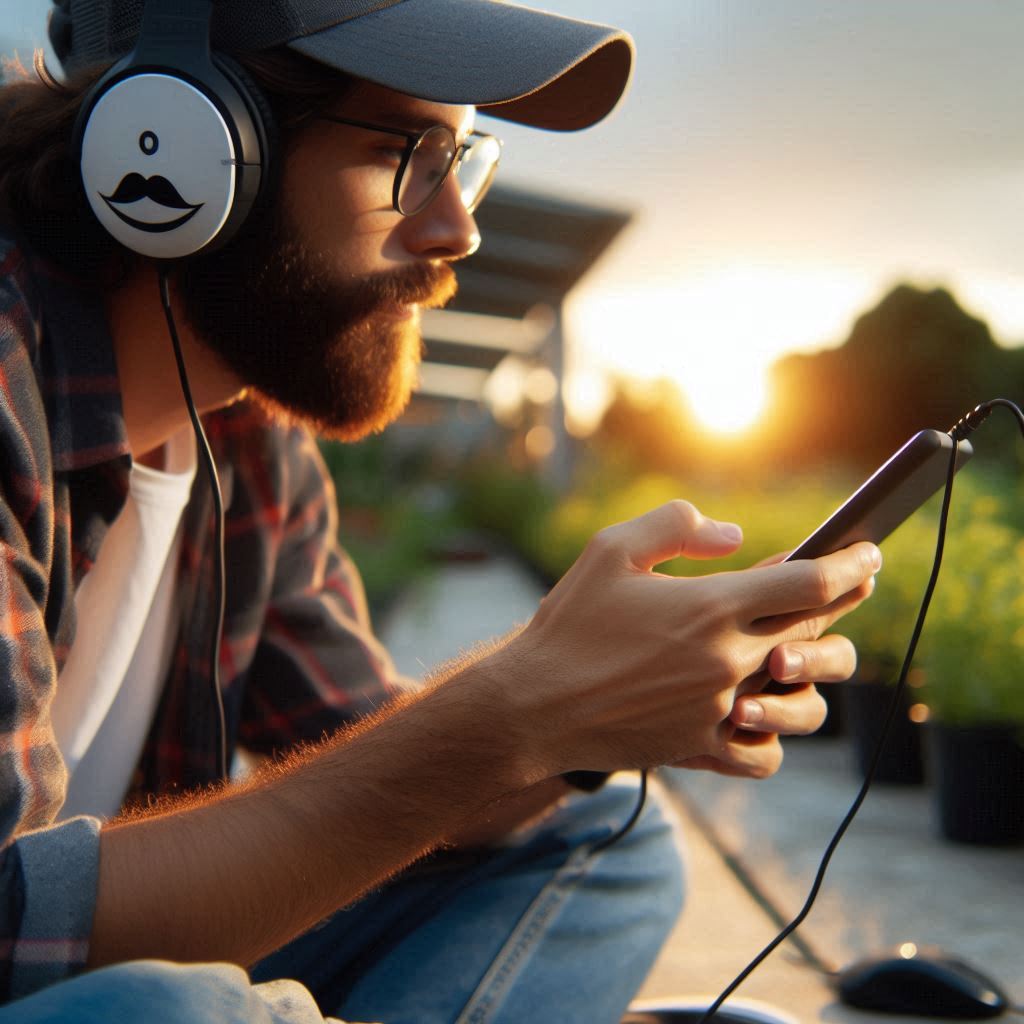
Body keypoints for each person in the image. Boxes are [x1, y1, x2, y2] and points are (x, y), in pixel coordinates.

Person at [0, 1, 880, 1021]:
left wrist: (591, 713)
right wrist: (511, 713)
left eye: (460, 156)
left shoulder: (249, 441)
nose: (457, 226)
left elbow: (382, 772)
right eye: (403, 154)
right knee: (179, 1013)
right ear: (180, 140)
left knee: (608, 835)